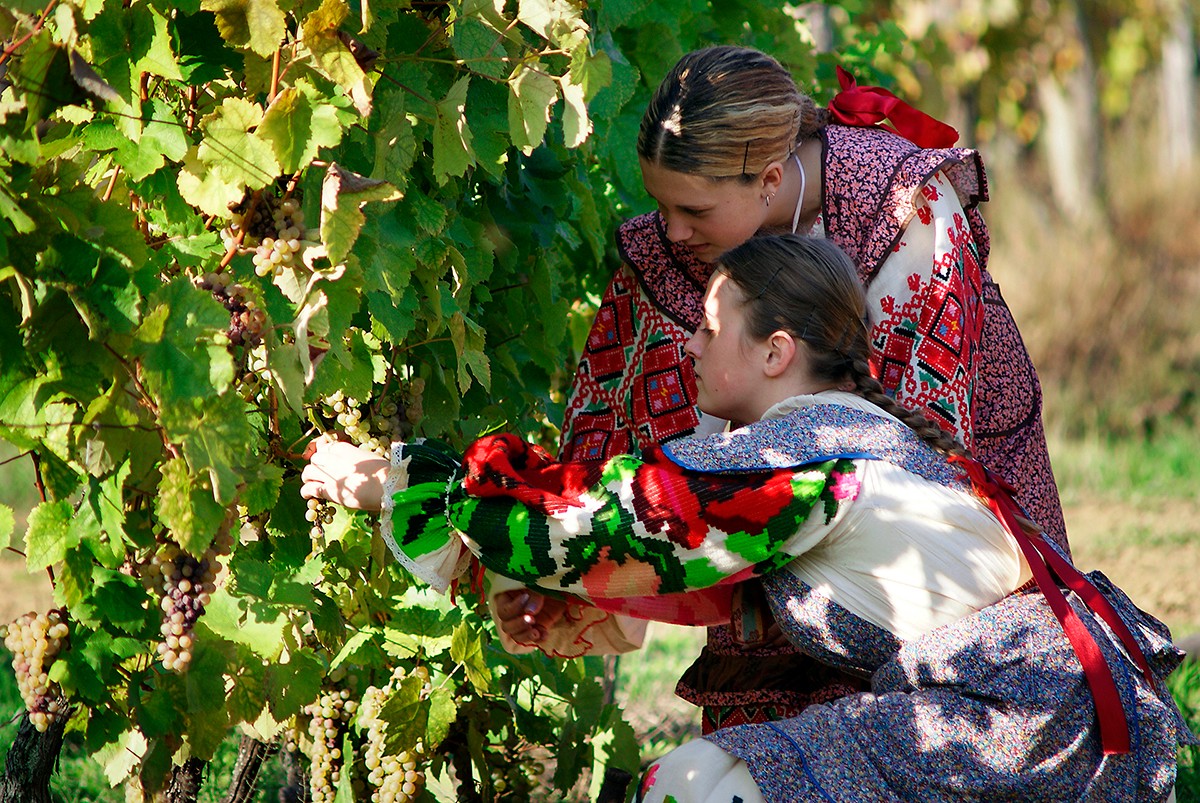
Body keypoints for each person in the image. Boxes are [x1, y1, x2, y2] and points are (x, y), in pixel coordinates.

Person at [302, 235, 1191, 802]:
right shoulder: (854, 433)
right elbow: (685, 566)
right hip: (1044, 718)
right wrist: (529, 575)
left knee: (703, 784)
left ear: (775, 351)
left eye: (710, 326)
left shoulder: (801, 452)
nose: (688, 344)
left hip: (1019, 722)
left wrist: (402, 485)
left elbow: (620, 516)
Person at [505, 44, 1070, 732]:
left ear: (770, 179)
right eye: (661, 203)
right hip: (768, 551)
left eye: (694, 209)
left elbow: (914, 456)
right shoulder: (673, 250)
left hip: (925, 547)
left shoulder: (903, 211)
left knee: (925, 730)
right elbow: (611, 438)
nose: (673, 229)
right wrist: (544, 572)